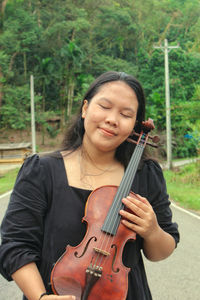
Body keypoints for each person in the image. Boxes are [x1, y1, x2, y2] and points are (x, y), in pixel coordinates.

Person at [0, 71, 179, 300]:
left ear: (135, 124)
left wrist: (152, 230)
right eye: (104, 106)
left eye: (125, 114)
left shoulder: (146, 174)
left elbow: (160, 251)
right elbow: (15, 245)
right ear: (85, 108)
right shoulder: (41, 171)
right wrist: (41, 297)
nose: (112, 119)